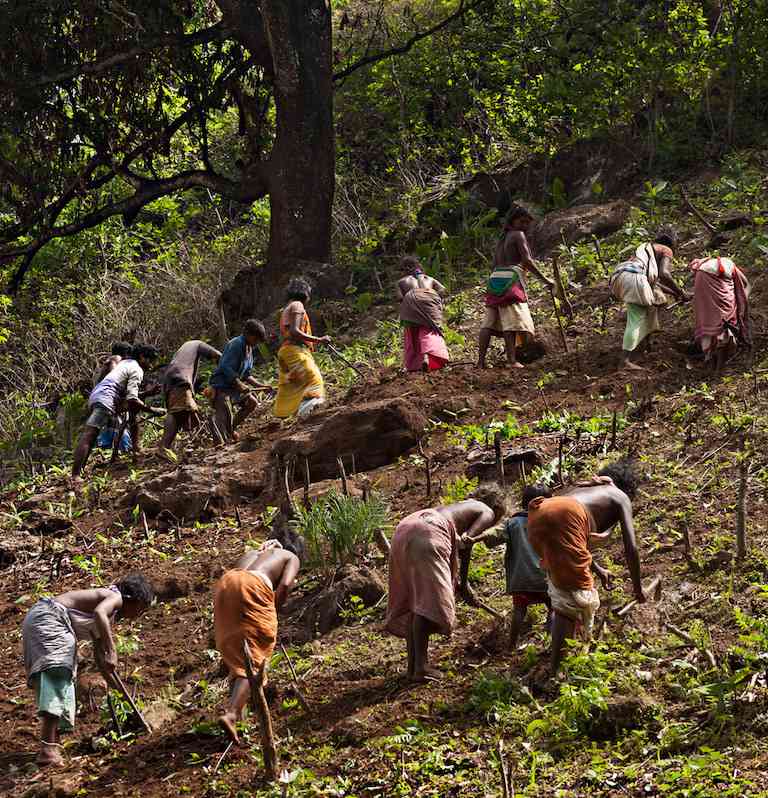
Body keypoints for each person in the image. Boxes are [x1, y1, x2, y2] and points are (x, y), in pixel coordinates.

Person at [21, 574, 154, 766]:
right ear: (133, 599)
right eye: (141, 609)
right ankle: (48, 749)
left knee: (63, 676)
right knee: (58, 675)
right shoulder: (114, 597)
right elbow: (100, 614)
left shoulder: (109, 618)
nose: (138, 615)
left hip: (44, 620)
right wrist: (112, 649)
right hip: (50, 619)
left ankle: (52, 746)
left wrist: (122, 694)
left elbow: (102, 663)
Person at [527, 459, 644, 675]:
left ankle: (561, 651)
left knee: (565, 588)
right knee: (571, 600)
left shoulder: (587, 488)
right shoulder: (619, 496)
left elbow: (574, 545)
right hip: (566, 514)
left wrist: (598, 570)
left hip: (536, 514)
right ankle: (556, 670)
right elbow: (632, 548)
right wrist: (638, 589)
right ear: (627, 486)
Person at [385, 484, 507, 683]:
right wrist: (464, 583)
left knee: (416, 601)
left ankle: (413, 667)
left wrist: (463, 582)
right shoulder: (486, 510)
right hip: (429, 532)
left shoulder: (459, 507)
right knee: (428, 605)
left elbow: (461, 545)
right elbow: (465, 543)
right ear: (497, 506)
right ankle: (422, 667)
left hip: (405, 528)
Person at [214, 540, 301, 744]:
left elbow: (238, 578)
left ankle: (238, 713)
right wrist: (272, 609)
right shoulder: (291, 556)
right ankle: (232, 714)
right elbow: (286, 585)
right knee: (256, 654)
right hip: (254, 585)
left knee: (238, 650)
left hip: (225, 585)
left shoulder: (254, 553)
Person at [460, 484, 552, 649]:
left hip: (521, 578)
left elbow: (494, 533)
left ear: (524, 502)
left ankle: (511, 645)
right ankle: (550, 640)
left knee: (519, 610)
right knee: (554, 607)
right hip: (545, 577)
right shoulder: (549, 522)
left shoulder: (513, 523)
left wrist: (474, 538)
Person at [477, 206, 554, 369]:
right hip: (510, 279)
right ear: (513, 221)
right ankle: (511, 361)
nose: (525, 225)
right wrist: (545, 279)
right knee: (510, 322)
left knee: (488, 323)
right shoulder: (518, 235)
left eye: (527, 223)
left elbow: (494, 264)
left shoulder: (502, 238)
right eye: (522, 221)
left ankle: (480, 362)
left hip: (495, 279)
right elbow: (527, 260)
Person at [72, 345, 164, 478]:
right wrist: (153, 410)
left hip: (99, 395)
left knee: (92, 436)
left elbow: (128, 397)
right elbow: (132, 399)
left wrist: (147, 393)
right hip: (106, 397)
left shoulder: (125, 363)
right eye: (151, 360)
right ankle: (75, 476)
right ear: (142, 357)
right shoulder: (137, 369)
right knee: (89, 435)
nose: (152, 365)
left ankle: (135, 449)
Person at [609, 230, 689, 371]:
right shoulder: (666, 250)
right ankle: (625, 361)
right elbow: (664, 274)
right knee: (635, 317)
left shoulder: (646, 250)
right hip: (634, 278)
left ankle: (644, 346)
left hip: (620, 276)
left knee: (648, 310)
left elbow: (656, 282)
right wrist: (681, 292)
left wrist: (676, 294)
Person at [273, 278, 329, 419]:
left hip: (287, 351)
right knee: (314, 379)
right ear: (304, 293)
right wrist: (319, 339)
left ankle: (293, 413)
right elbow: (294, 331)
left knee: (294, 385)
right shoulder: (298, 305)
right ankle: (309, 413)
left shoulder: (287, 307)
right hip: (294, 349)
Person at [209, 319, 272, 443]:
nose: (257, 343)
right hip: (222, 386)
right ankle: (220, 441)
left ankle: (230, 430)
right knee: (224, 414)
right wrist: (239, 384)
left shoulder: (249, 349)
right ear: (249, 334)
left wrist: (262, 386)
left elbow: (247, 374)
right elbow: (225, 367)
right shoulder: (236, 344)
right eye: (256, 339)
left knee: (252, 403)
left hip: (234, 388)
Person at [690, 254, 751, 372]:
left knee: (710, 322)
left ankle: (710, 362)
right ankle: (718, 369)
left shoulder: (703, 268)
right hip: (711, 286)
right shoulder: (731, 267)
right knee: (725, 325)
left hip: (702, 281)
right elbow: (746, 285)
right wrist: (741, 302)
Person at [160, 339, 222, 453]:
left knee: (186, 412)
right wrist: (223, 370)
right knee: (175, 413)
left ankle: (168, 448)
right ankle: (163, 448)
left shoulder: (184, 348)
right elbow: (218, 355)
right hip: (180, 377)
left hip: (169, 379)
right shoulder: (198, 344)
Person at [396, 255, 450, 372]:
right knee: (430, 330)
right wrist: (430, 295)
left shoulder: (401, 282)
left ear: (406, 269)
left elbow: (399, 298)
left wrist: (412, 301)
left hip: (410, 297)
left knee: (413, 331)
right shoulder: (429, 278)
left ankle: (416, 363)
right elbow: (443, 290)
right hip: (430, 296)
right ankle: (428, 356)